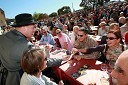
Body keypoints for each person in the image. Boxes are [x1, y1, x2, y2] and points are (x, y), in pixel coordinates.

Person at [0, 13, 37, 85]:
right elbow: (40, 62)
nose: (35, 30)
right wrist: (60, 60)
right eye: (33, 27)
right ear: (24, 28)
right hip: (16, 79)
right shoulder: (26, 45)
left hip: (2, 76)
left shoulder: (3, 36)